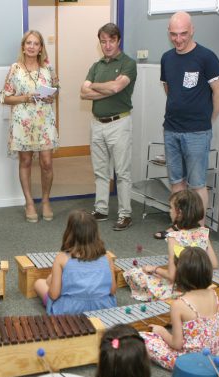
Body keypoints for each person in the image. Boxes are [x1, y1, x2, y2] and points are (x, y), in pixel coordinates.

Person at [159, 11, 219, 235]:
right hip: (171, 129)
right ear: (169, 32)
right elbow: (169, 88)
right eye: (174, 34)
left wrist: (209, 119)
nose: (178, 39)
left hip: (198, 131)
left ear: (192, 30)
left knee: (197, 184)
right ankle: (179, 225)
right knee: (176, 181)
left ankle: (198, 230)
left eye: (183, 34)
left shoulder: (207, 57)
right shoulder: (167, 58)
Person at [80, 23, 137, 231]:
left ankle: (125, 214)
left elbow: (116, 86)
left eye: (111, 40)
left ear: (118, 40)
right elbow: (83, 92)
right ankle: (101, 209)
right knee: (100, 171)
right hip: (97, 124)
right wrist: (105, 88)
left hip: (119, 123)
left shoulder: (128, 64)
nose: (107, 45)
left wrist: (95, 86)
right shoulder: (97, 66)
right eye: (103, 41)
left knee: (122, 172)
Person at [1, 29, 59, 223]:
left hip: (44, 121)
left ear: (41, 47)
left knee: (47, 163)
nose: (32, 47)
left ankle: (45, 201)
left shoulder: (48, 68)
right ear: (23, 47)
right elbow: (5, 97)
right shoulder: (15, 68)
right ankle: (29, 202)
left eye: (36, 43)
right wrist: (25, 98)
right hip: (22, 122)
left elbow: (56, 89)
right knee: (25, 162)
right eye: (29, 43)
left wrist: (52, 95)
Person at [123, 189, 218, 301]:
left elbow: (172, 276)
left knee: (133, 273)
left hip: (180, 289)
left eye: (171, 208)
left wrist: (155, 269)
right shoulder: (203, 232)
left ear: (180, 213)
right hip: (200, 284)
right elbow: (214, 264)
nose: (170, 211)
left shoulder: (174, 237)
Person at [140, 247, 219, 370]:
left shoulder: (179, 305)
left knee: (142, 338)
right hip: (216, 356)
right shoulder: (214, 294)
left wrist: (161, 331)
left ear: (180, 275)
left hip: (189, 363)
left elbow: (177, 344)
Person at [34, 209, 117, 315]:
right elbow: (112, 290)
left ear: (69, 232)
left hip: (70, 311)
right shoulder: (107, 257)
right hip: (103, 308)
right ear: (95, 233)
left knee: (39, 283)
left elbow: (54, 295)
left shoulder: (61, 258)